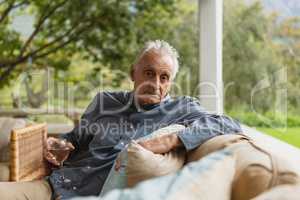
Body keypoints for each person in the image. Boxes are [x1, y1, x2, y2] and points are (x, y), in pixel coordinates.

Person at [0, 40, 242, 200]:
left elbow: (228, 123)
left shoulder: (183, 107)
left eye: (164, 77)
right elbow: (75, 139)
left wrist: (171, 139)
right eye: (149, 73)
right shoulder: (105, 101)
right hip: (54, 187)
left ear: (170, 82)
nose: (155, 83)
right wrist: (60, 144)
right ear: (132, 73)